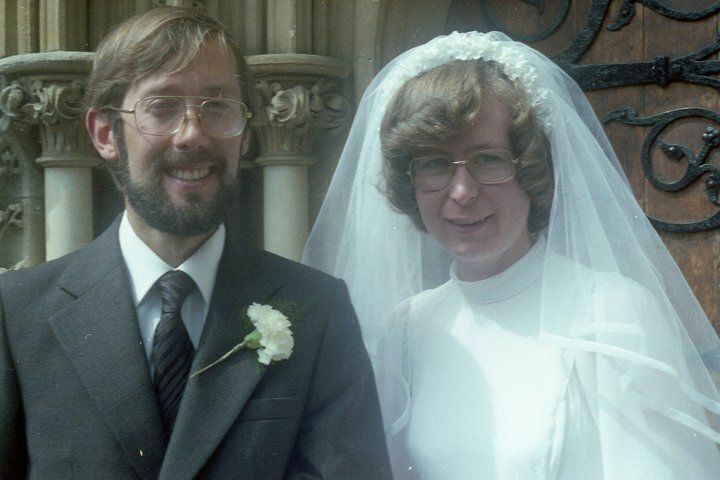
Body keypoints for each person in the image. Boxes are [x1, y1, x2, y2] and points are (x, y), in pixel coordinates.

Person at [303, 31, 720, 479]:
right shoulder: (408, 328)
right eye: (435, 164)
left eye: (488, 160)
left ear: (531, 168)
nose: (461, 193)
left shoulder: (611, 312)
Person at [0, 7, 391, 479]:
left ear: (245, 135)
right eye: (161, 107)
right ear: (105, 133)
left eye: (218, 107)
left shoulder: (316, 310)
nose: (192, 133)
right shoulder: (18, 315)